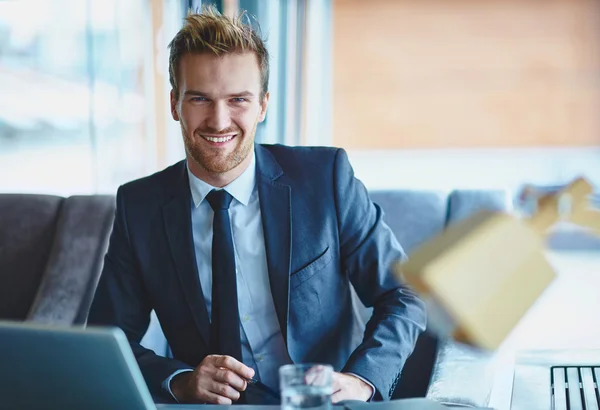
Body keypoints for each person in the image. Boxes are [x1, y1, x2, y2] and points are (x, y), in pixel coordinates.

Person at [88, 6, 426, 405]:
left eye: (238, 100)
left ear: (262, 105)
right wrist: (180, 380)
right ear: (175, 103)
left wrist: (360, 381)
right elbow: (107, 340)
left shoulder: (325, 178)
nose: (218, 120)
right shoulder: (139, 206)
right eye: (199, 98)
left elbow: (404, 295)